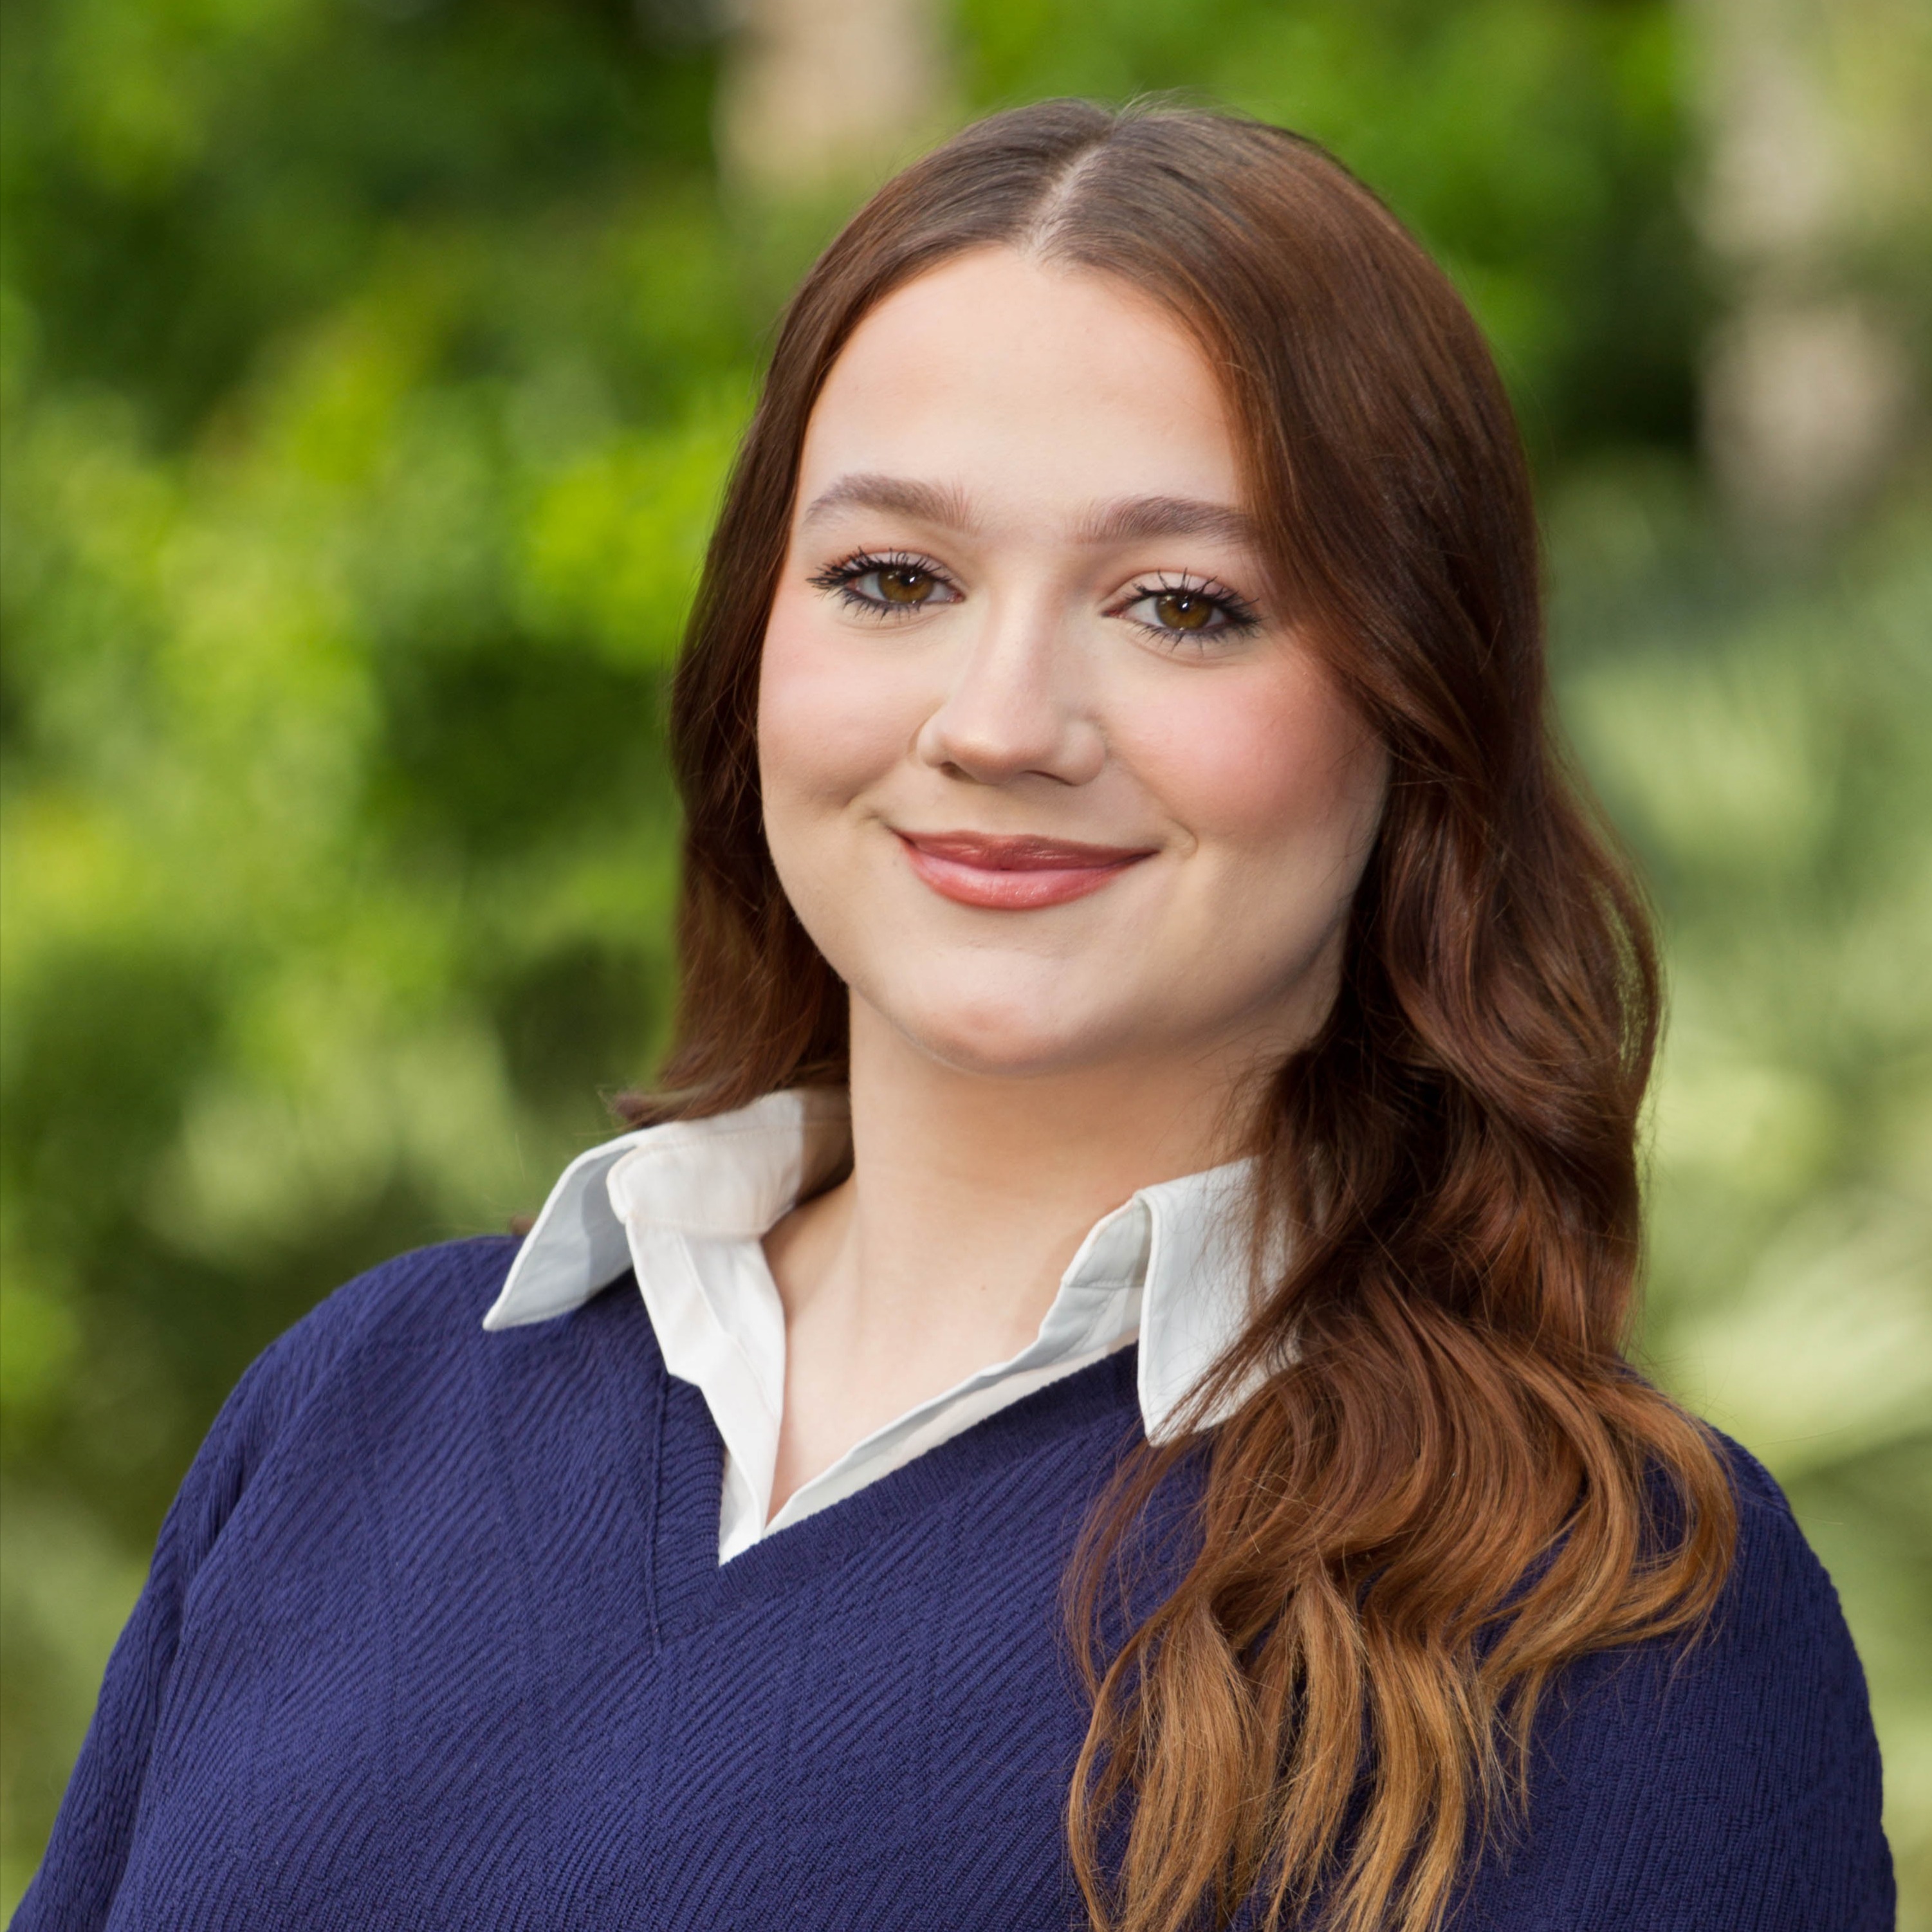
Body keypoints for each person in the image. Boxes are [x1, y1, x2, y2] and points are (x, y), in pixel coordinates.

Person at [20, 101, 1891, 1932]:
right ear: (754, 648)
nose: (999, 723)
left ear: (1417, 707)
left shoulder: (1608, 1616)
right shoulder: (368, 1402)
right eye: (892, 578)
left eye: (1181, 605)